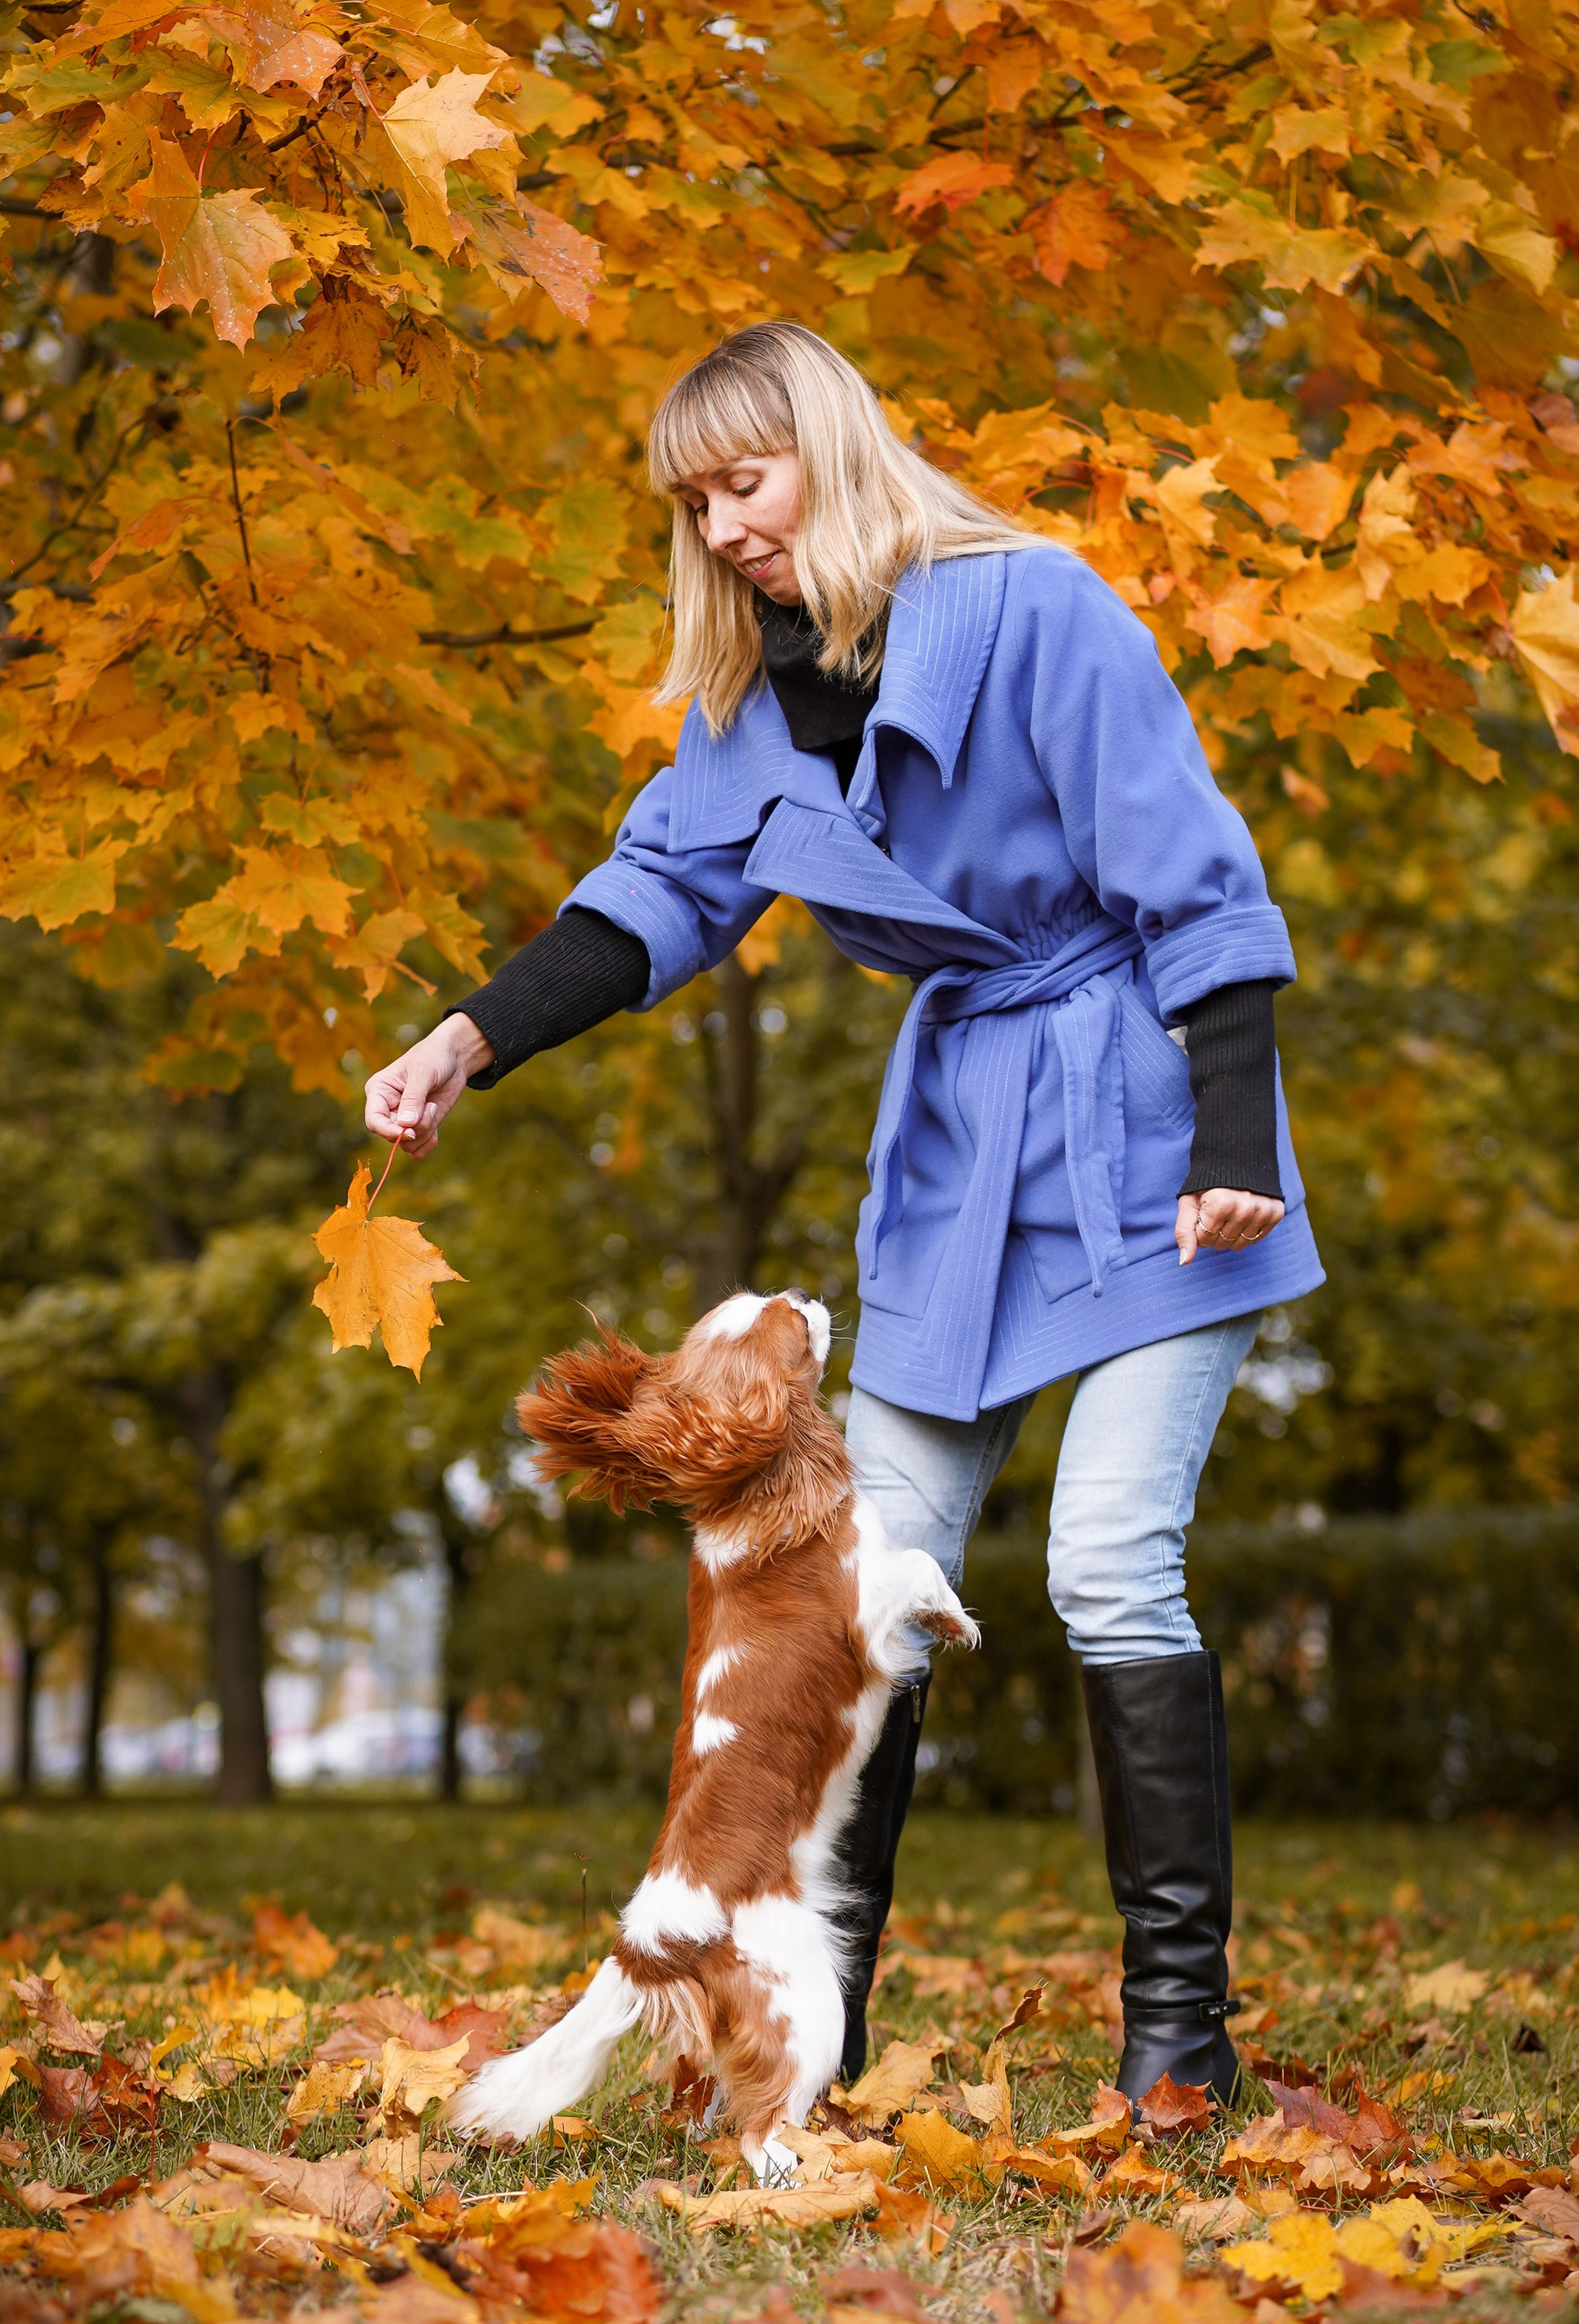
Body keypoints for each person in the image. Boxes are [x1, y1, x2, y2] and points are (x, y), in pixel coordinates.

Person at [365, 321, 1322, 2102]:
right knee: (851, 1590)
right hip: (960, 1144)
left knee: (1106, 1558)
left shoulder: (1033, 606)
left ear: (827, 446)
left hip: (1141, 1121)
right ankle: (817, 2033)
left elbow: (1196, 876)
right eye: (693, 501)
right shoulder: (743, 708)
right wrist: (464, 1038)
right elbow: (645, 898)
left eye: (746, 479)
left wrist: (1231, 1134)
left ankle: (1175, 2047)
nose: (723, 525)